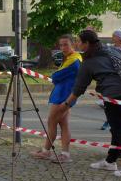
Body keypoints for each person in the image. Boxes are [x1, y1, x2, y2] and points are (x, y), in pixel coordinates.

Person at [59, 29, 121, 179]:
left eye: (79, 41)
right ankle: (110, 161)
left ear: (86, 43)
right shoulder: (111, 50)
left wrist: (65, 105)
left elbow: (78, 88)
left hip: (116, 95)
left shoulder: (88, 62)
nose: (77, 43)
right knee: (118, 129)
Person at [31, 34, 82, 163]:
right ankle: (64, 153)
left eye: (66, 45)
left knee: (52, 122)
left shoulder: (74, 60)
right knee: (63, 124)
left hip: (63, 96)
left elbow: (56, 76)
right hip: (64, 95)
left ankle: (47, 151)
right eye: (61, 45)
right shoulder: (71, 58)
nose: (63, 48)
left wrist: (55, 76)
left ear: (73, 44)